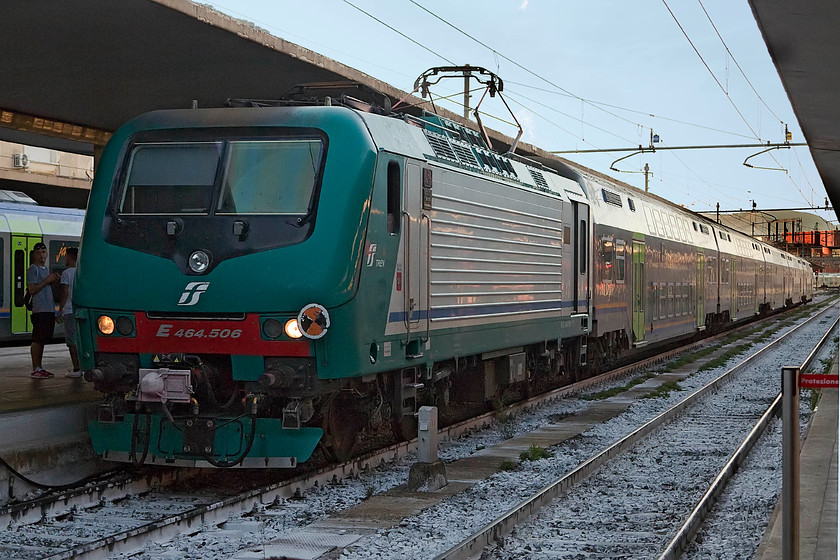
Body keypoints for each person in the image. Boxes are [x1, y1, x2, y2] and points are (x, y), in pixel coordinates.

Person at [27, 242, 60, 379]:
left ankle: (40, 367)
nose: (42, 255)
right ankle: (36, 368)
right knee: (37, 339)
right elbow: (32, 289)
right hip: (40, 309)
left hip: (48, 309)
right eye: (39, 252)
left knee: (43, 339)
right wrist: (47, 280)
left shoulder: (45, 269)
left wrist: (53, 281)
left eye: (43, 252)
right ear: (34, 254)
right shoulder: (33, 269)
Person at [57, 247, 80, 377]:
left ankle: (76, 369)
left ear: (70, 257)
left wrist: (60, 310)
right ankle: (83, 366)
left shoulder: (66, 273)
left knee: (71, 341)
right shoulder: (81, 272)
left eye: (66, 256)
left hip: (69, 310)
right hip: (80, 310)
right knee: (80, 340)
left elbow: (65, 292)